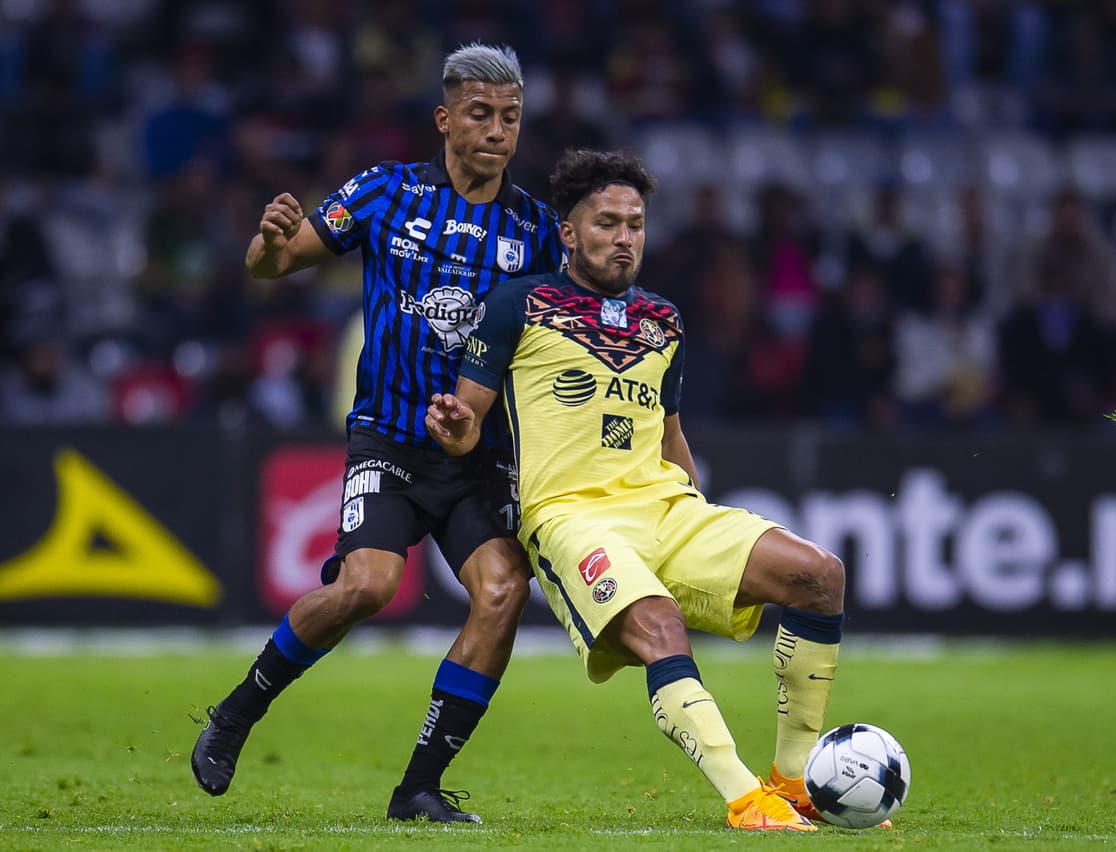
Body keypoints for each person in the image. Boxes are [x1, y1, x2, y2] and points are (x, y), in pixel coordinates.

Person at [426, 150, 857, 832]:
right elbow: (467, 423)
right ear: (569, 233)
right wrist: (454, 427)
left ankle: (794, 781)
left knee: (820, 576)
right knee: (660, 626)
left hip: (665, 508)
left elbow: (669, 435)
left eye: (635, 224)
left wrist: (701, 511)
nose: (624, 236)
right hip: (571, 518)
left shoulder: (663, 320)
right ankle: (746, 800)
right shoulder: (518, 305)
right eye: (607, 223)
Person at [191, 43, 564, 823]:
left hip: (481, 454)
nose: (498, 131)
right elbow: (272, 264)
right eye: (480, 114)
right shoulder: (385, 191)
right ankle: (237, 712)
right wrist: (270, 241)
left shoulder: (536, 228)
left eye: (511, 117)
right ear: (444, 119)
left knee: (502, 592)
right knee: (366, 585)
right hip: (389, 441)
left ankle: (418, 788)